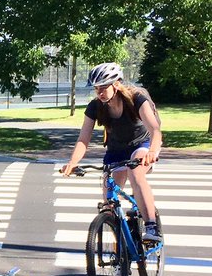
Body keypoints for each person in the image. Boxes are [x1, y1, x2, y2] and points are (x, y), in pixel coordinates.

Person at [59, 62, 164, 241]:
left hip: (142, 145)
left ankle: (151, 227)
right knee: (109, 202)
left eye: (103, 88)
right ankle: (120, 248)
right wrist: (73, 162)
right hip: (116, 149)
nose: (99, 93)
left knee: (135, 173)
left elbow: (155, 130)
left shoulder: (136, 99)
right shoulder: (96, 106)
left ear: (116, 84)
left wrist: (152, 151)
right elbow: (83, 139)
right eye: (96, 88)